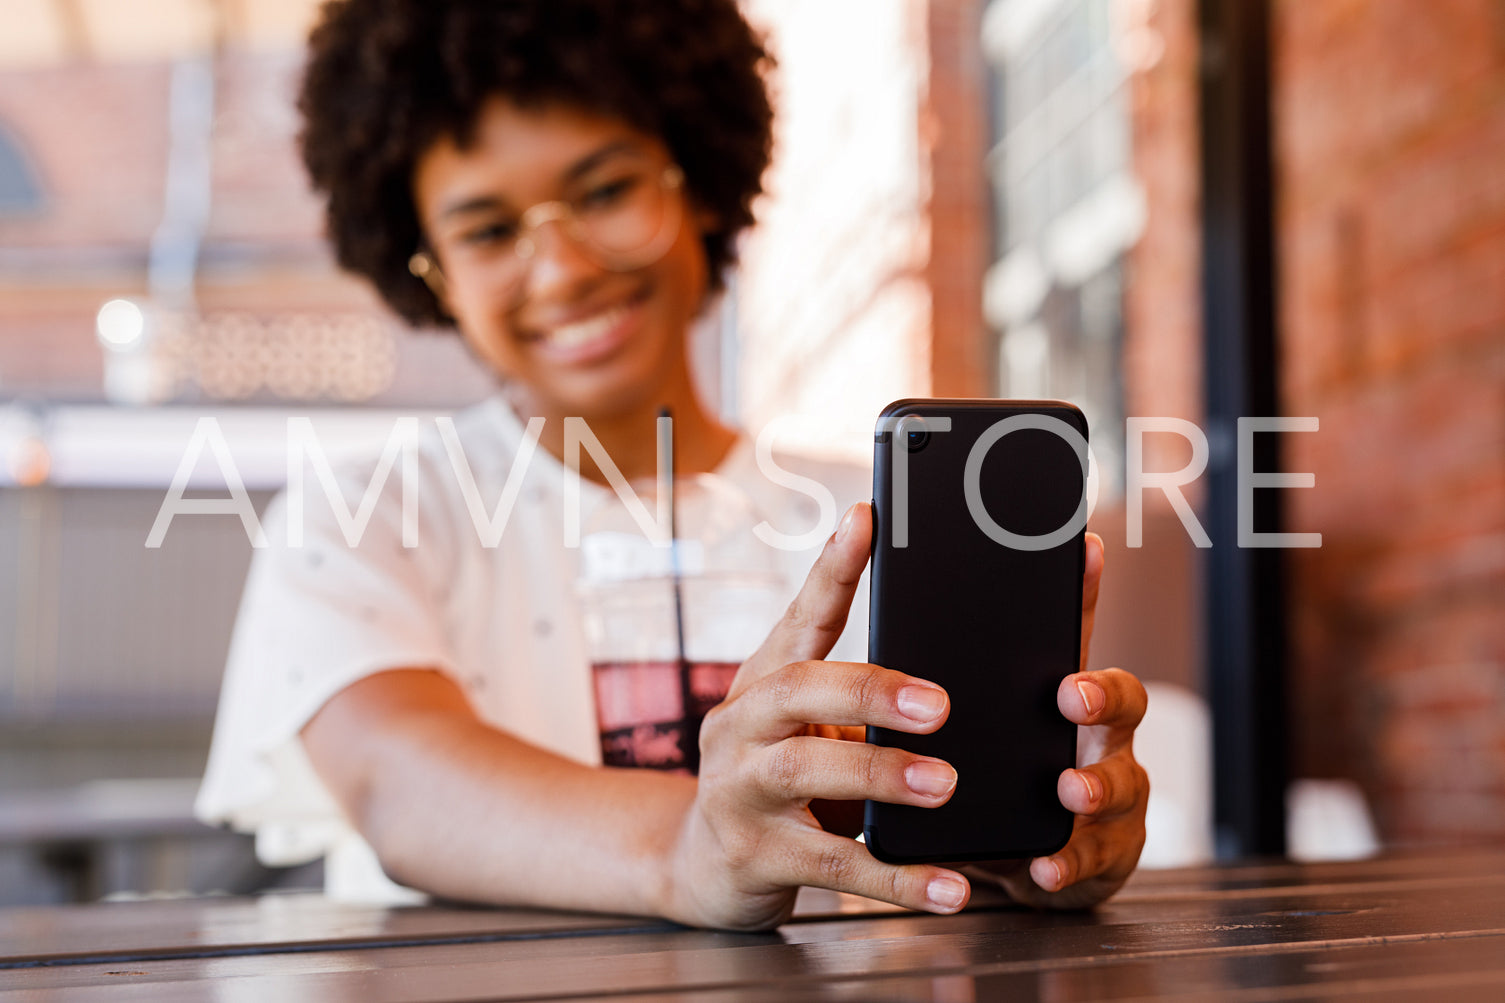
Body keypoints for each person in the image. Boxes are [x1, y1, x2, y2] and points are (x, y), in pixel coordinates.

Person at [196, 0, 1149, 931]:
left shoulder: (864, 514)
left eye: (606, 191)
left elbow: (943, 847)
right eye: (487, 231)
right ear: (427, 266)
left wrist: (1030, 859)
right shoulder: (361, 512)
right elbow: (397, 785)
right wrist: (688, 849)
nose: (561, 268)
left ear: (696, 182)